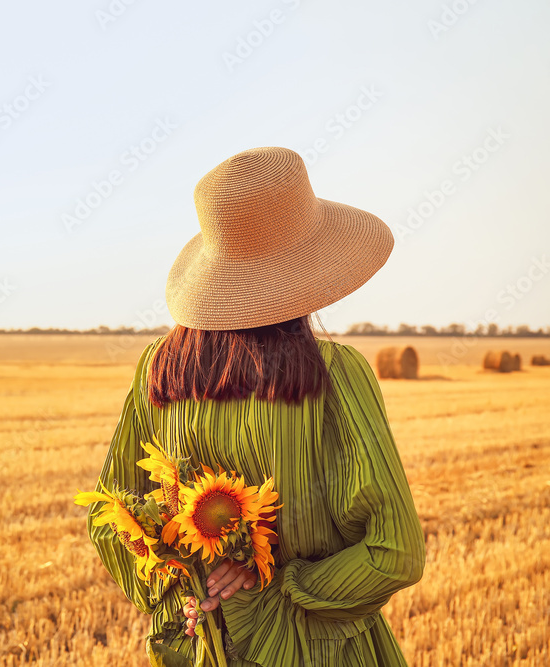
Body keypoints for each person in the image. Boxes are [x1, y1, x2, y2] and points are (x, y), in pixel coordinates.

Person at [84, 147, 427, 666]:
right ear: (311, 263)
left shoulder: (159, 368)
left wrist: (186, 592)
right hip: (316, 649)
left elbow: (111, 512)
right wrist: (286, 589)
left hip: (203, 644)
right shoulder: (333, 373)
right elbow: (394, 552)